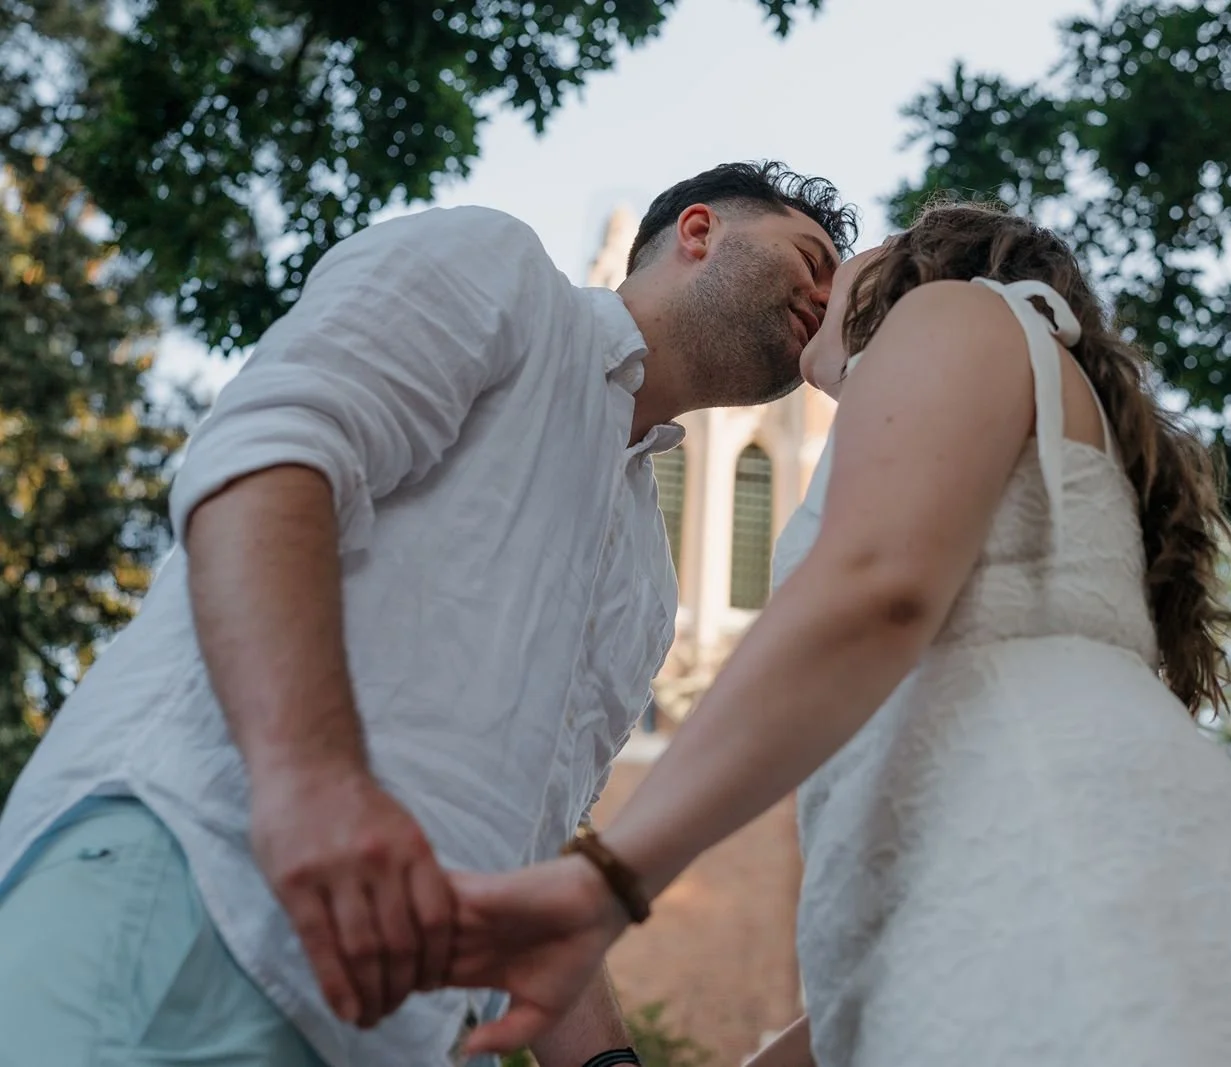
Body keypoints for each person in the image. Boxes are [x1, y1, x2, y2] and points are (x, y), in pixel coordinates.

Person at [439, 202, 1231, 1066]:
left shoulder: (957, 312)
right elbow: (929, 939)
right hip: (1066, 892)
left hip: (1078, 874)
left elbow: (877, 589)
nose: (822, 293)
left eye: (848, 261)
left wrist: (610, 878)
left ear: (914, 269)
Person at [0, 161, 856, 1067]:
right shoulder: (503, 273)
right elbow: (268, 458)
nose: (826, 297)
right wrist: (313, 782)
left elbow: (538, 836)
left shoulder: (647, 577)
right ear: (699, 231)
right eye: (811, 260)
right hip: (199, 897)